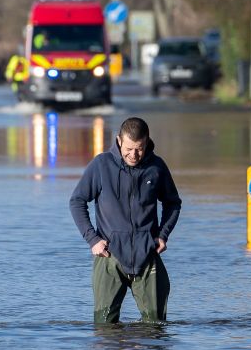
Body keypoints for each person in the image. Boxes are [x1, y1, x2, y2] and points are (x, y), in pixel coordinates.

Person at [69, 117, 182, 323]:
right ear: (119, 141)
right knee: (104, 328)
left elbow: (173, 203)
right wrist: (92, 239)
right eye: (129, 148)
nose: (134, 154)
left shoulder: (156, 167)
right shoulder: (101, 165)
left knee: (155, 327)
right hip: (109, 257)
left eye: (139, 148)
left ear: (146, 142)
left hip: (147, 255)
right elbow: (77, 201)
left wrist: (163, 235)